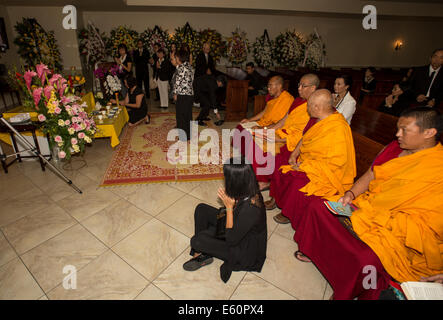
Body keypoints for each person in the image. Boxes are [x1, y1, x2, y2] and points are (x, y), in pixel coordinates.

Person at [293, 107, 443, 300]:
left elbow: (430, 222)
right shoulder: (394, 147)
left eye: (404, 130)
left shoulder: (437, 167)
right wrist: (350, 193)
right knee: (318, 208)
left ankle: (345, 287)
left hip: (393, 227)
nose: (397, 134)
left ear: (429, 133)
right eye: (398, 128)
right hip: (368, 205)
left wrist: (382, 218)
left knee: (366, 258)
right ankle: (315, 254)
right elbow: (371, 173)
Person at [266, 89, 356, 227]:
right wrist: (294, 154)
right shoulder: (319, 119)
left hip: (326, 173)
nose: (306, 108)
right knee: (282, 168)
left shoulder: (338, 128)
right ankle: (278, 201)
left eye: (309, 106)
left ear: (317, 107)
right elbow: (305, 137)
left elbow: (335, 164)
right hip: (309, 162)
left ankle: (289, 213)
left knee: (297, 181)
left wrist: (304, 166)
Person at [183, 156, 267, 283]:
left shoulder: (251, 209)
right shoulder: (249, 187)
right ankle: (201, 253)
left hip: (243, 251)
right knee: (202, 209)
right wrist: (230, 207)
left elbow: (231, 239)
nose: (225, 180)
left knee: (197, 241)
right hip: (237, 227)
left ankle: (202, 250)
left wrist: (228, 207)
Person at [242, 74, 319, 188]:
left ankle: (264, 181)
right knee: (254, 139)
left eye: (303, 86)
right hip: (283, 132)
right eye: (299, 85)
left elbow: (306, 135)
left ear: (313, 88)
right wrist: (267, 130)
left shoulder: (317, 107)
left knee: (265, 151)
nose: (299, 88)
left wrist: (279, 139)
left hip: (293, 142)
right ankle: (253, 175)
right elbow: (283, 120)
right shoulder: (297, 101)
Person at [173, 49, 194, 141]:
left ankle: (182, 137)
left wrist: (175, 93)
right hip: (189, 94)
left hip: (182, 94)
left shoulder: (181, 68)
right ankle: (188, 135)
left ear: (179, 58)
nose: (175, 58)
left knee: (180, 116)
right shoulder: (189, 66)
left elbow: (178, 83)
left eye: (176, 57)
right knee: (188, 115)